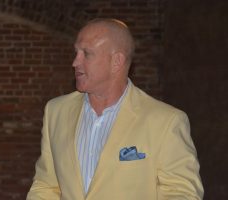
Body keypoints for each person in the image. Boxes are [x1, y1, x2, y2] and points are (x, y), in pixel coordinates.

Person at [27, 18, 204, 200]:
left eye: (86, 54)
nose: (75, 62)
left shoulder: (166, 121)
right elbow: (46, 187)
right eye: (76, 53)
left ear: (116, 61)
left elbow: (182, 194)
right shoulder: (56, 111)